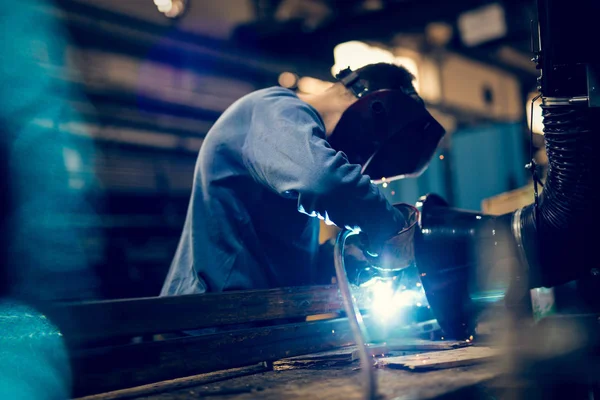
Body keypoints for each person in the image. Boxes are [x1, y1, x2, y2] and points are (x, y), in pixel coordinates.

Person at [161, 62, 443, 296]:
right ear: (370, 105)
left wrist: (343, 259)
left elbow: (273, 254)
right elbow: (325, 182)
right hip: (206, 324)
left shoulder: (296, 150)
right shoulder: (276, 107)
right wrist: (391, 228)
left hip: (249, 326)